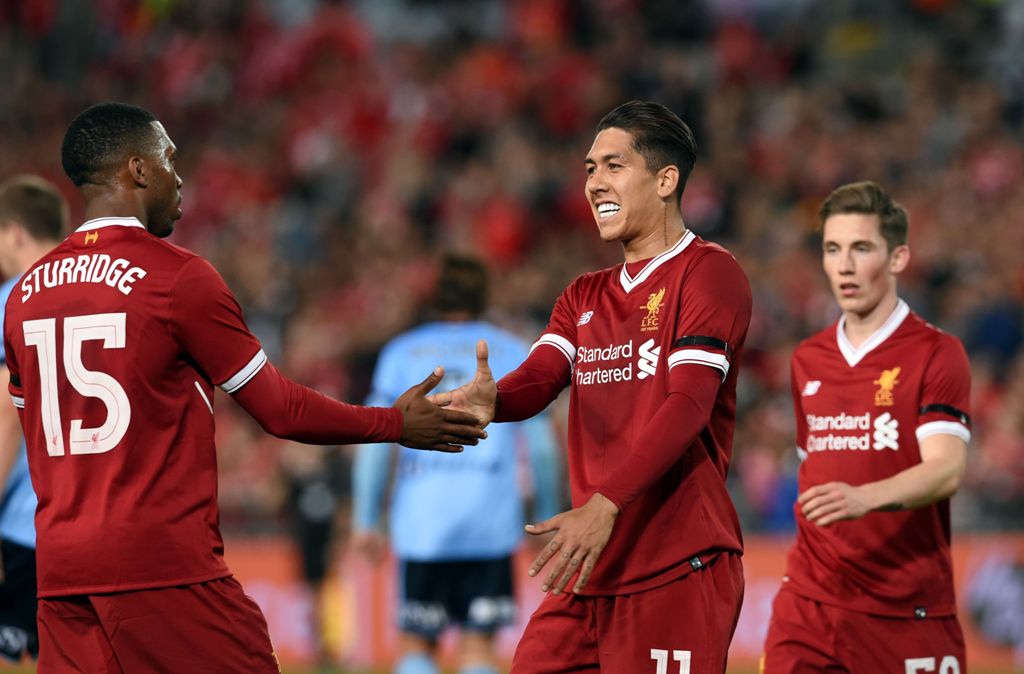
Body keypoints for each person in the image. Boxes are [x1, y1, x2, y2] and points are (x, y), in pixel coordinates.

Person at [1, 102, 486, 673]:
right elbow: (279, 410)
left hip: (61, 573)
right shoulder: (178, 277)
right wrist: (396, 424)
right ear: (137, 169)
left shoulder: (24, 295)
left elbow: (29, 429)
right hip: (161, 566)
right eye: (169, 160)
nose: (179, 178)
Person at [433, 100, 752, 673]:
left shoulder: (709, 272)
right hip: (590, 563)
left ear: (665, 180)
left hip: (676, 563)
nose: (593, 183)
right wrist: (494, 400)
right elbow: (541, 378)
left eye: (612, 166)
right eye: (588, 169)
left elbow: (688, 405)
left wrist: (603, 504)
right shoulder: (584, 295)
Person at [761, 181, 971, 673]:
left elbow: (946, 470)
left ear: (897, 258)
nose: (845, 265)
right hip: (809, 605)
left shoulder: (937, 354)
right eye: (833, 249)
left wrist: (864, 497)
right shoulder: (806, 359)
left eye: (861, 248)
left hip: (905, 608)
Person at [351, 254, 562, 674]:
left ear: (433, 297)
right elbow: (541, 445)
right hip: (490, 525)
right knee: (479, 648)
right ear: (484, 296)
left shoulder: (402, 352)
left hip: (422, 526)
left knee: (416, 646)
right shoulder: (511, 348)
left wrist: (366, 519)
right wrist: (546, 514)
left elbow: (375, 442)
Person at [0, 176, 69, 663]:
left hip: (21, 521)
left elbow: (7, 412)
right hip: (87, 515)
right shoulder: (94, 291)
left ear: (15, 233)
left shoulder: (9, 300)